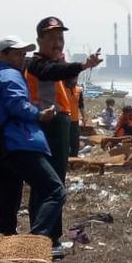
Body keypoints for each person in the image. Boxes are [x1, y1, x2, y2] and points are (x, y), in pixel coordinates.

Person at [0, 35, 67, 258]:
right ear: (2, 55)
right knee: (55, 190)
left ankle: (6, 250)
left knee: (9, 199)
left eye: (24, 54)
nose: (22, 58)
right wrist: (39, 114)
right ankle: (35, 243)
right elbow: (17, 105)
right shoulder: (10, 76)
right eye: (16, 53)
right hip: (21, 141)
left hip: (7, 144)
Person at [26, 17, 101, 184]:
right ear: (39, 40)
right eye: (51, 38)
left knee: (57, 177)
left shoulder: (56, 63)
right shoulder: (36, 64)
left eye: (60, 38)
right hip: (49, 123)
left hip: (60, 123)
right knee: (51, 183)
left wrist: (68, 65)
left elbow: (68, 80)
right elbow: (50, 72)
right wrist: (82, 65)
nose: (57, 43)